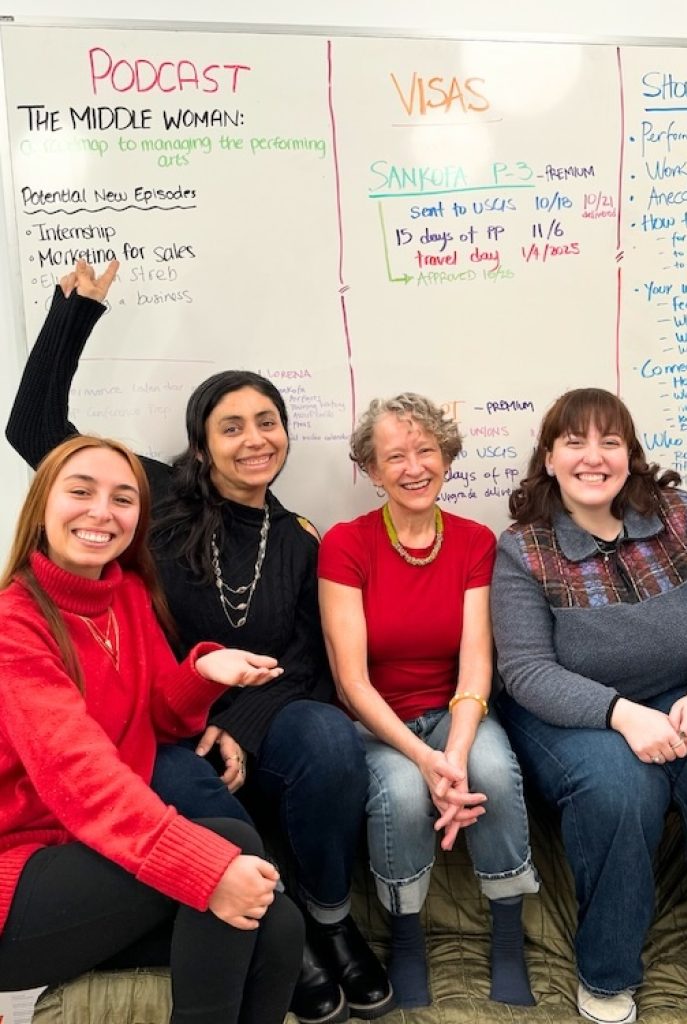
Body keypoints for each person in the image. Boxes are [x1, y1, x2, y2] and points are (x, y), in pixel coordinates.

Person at [5, 260, 393, 1023]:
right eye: (231, 425)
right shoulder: (151, 499)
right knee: (195, 797)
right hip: (163, 737)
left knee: (326, 739)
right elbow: (35, 432)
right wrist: (73, 314)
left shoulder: (297, 538)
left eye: (267, 422)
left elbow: (306, 669)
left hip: (220, 718)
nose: (255, 440)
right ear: (201, 443)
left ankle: (327, 918)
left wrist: (232, 723)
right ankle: (275, 917)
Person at [490, 387, 687, 1024]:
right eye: (575, 442)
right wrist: (622, 714)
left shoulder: (682, 514)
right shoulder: (522, 548)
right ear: (549, 456)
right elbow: (527, 671)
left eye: (609, 442)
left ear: (630, 454)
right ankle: (607, 971)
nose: (594, 458)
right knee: (620, 789)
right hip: (569, 711)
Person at [0, 434, 303, 1024]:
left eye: (122, 498)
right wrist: (202, 865)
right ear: (42, 503)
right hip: (18, 884)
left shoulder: (127, 593)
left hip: (91, 856)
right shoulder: (15, 625)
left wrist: (205, 672)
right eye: (80, 492)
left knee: (278, 923)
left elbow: (161, 718)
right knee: (228, 850)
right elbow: (80, 776)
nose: (101, 512)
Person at [318, 393, 540, 1009]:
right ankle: (407, 938)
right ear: (371, 469)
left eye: (426, 451)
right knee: (402, 792)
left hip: (454, 709)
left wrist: (457, 750)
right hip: (376, 719)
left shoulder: (473, 541)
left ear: (447, 457)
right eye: (395, 456)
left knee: (491, 770)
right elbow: (350, 683)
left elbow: (476, 663)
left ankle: (507, 939)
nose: (414, 467)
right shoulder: (345, 544)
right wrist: (423, 758)